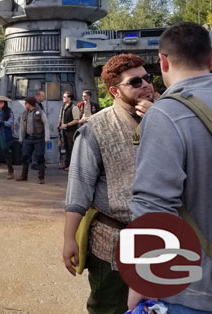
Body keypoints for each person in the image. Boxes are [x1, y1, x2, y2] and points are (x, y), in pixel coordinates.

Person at [128, 22, 212, 313]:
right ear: (210, 59)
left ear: (163, 61)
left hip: (194, 291)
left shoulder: (166, 114)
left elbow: (152, 203)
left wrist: (142, 279)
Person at [62, 54, 154, 314]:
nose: (146, 85)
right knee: (109, 307)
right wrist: (69, 238)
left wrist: (161, 119)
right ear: (114, 91)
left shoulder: (167, 117)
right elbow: (79, 185)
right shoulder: (95, 129)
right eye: (135, 82)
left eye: (148, 78)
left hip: (163, 237)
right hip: (113, 240)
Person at [17, 96, 50, 184]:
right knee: (25, 157)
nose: (25, 104)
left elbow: (46, 124)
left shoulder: (40, 112)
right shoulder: (24, 113)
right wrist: (21, 137)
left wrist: (47, 138)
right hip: (28, 138)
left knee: (40, 157)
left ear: (30, 103)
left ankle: (41, 178)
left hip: (39, 139)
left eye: (26, 103)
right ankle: (24, 176)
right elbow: (22, 126)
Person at [57, 91, 79, 170]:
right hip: (64, 131)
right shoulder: (63, 107)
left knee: (72, 148)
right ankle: (67, 163)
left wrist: (66, 125)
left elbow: (76, 120)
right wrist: (59, 125)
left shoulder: (74, 107)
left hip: (71, 131)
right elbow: (60, 116)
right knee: (66, 148)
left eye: (65, 97)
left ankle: (72, 166)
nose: (63, 98)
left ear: (69, 98)